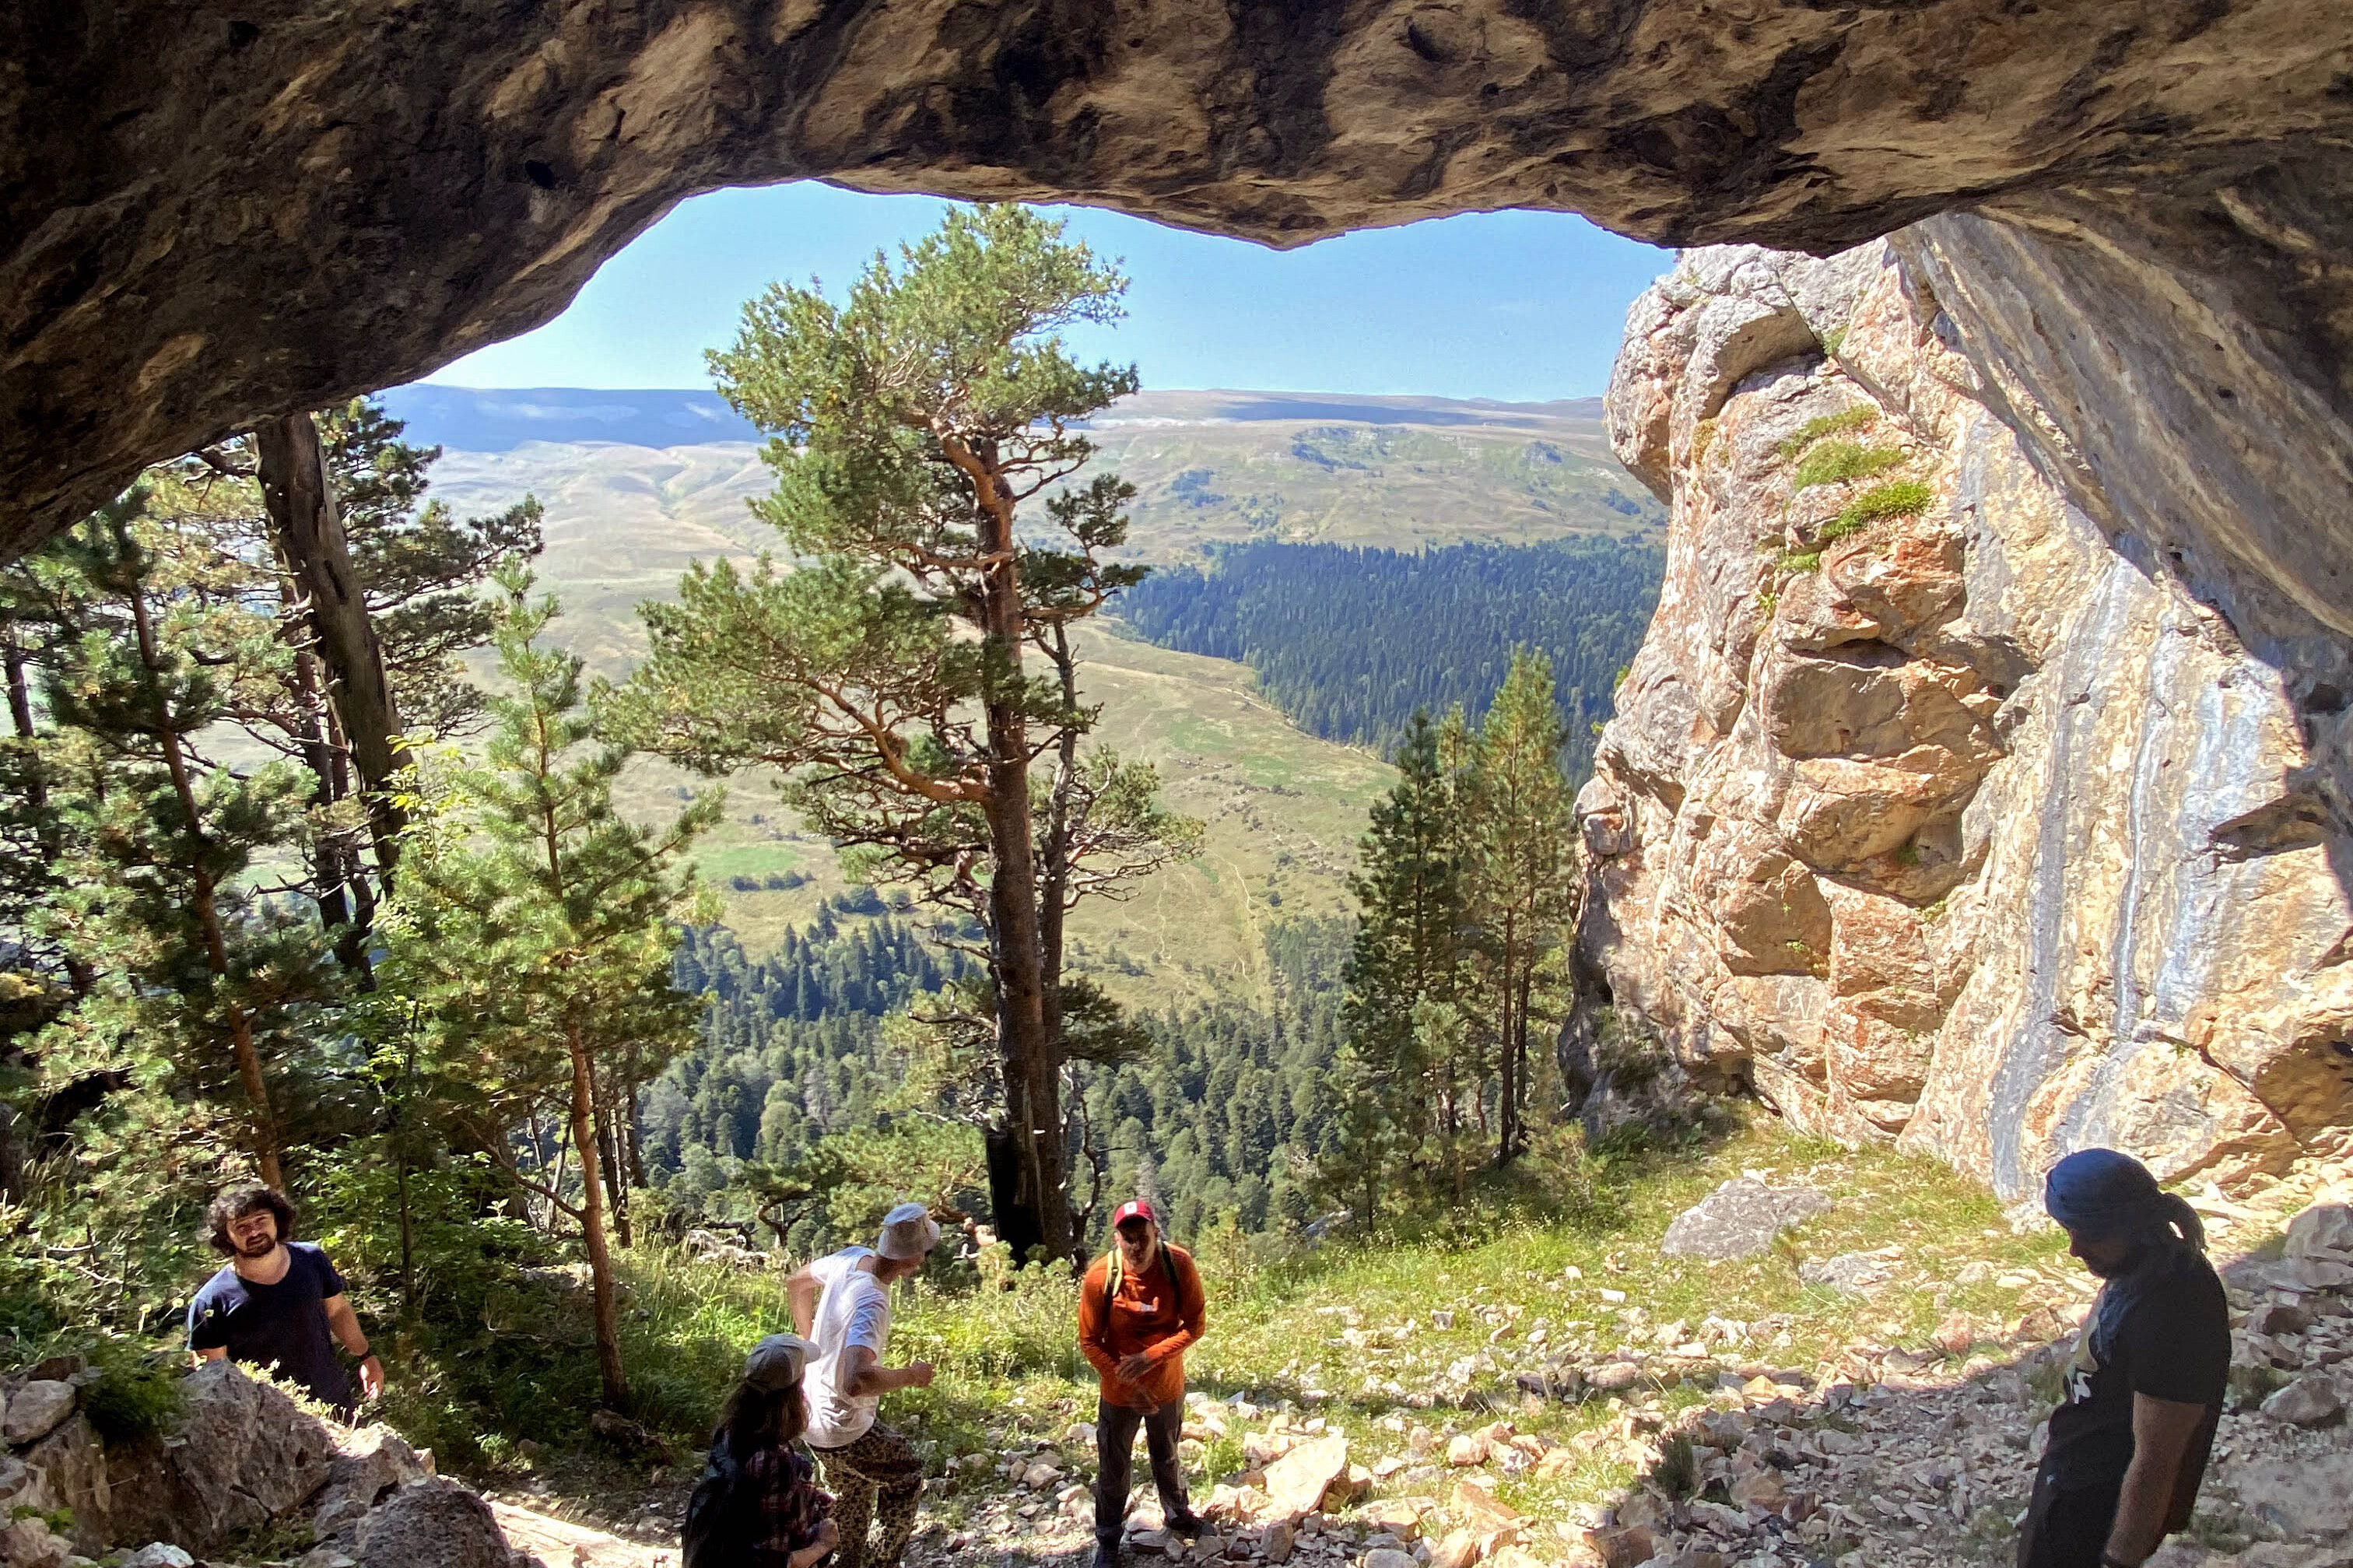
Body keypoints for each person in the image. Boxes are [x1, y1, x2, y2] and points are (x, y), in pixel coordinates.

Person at [2018, 1149, 2229, 1568]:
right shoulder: (2140, 1268)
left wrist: (2119, 1558)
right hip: (2075, 1484)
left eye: (2090, 1235)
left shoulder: (2177, 1310)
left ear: (2134, 1227)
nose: (2075, 1249)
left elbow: (2157, 1459)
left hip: (2100, 1509)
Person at [785, 1202, 941, 1568]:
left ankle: (846, 1560)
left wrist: (810, 1342)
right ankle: (877, 1563)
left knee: (850, 1495)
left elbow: (796, 1282)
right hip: (843, 1425)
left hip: (810, 1414)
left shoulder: (851, 1259)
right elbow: (857, 1381)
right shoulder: (872, 1302)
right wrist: (911, 1376)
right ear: (914, 1261)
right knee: (906, 1477)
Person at [1078, 1200, 1206, 1568]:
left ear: (1157, 1234)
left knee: (1166, 1454)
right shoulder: (1101, 1276)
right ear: (1117, 1238)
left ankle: (1178, 1515)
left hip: (1166, 1384)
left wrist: (1152, 1357)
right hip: (1119, 1394)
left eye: (1143, 1237)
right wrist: (1125, 1379)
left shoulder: (1178, 1265)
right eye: (1128, 1238)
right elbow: (1089, 1341)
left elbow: (1195, 1325)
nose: (1136, 1246)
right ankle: (1107, 1539)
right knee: (1114, 1466)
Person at [187, 1180, 382, 1419]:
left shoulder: (311, 1259)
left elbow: (338, 1311)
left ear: (277, 1220)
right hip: (268, 1423)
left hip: (335, 1403)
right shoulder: (211, 1301)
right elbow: (213, 1378)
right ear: (226, 1237)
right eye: (242, 1227)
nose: (255, 1232)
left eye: (261, 1221)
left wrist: (366, 1356)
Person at [682, 1333, 840, 1568]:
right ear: (794, 1392)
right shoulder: (774, 1460)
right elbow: (773, 1561)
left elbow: (752, 1499)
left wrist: (808, 1497)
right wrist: (823, 1544)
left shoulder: (728, 1431)